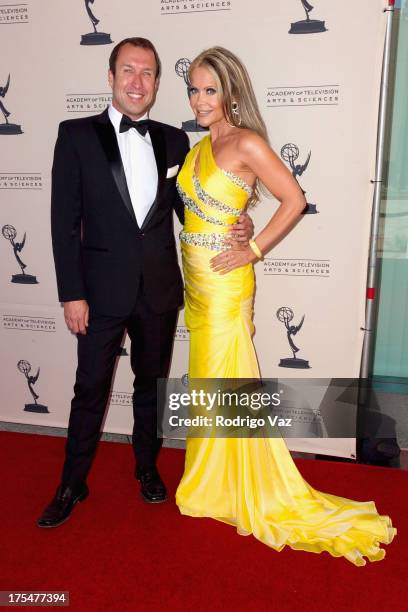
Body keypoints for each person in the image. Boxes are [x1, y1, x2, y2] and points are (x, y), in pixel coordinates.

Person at [175, 46, 396, 566]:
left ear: (230, 92)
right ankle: (212, 483)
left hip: (227, 288)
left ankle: (236, 484)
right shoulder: (201, 144)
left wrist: (253, 248)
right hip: (197, 289)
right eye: (193, 89)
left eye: (210, 89)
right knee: (210, 381)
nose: (200, 99)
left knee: (231, 379)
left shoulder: (246, 142)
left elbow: (294, 199)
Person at [37, 37, 252, 528]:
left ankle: (147, 469)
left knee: (151, 389)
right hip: (99, 292)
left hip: (157, 290)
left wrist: (242, 226)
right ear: (110, 77)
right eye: (128, 71)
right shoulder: (75, 135)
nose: (138, 82)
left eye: (149, 73)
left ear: (157, 83)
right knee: (89, 388)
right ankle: (72, 483)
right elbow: (63, 223)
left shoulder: (176, 142)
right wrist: (72, 292)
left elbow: (193, 212)